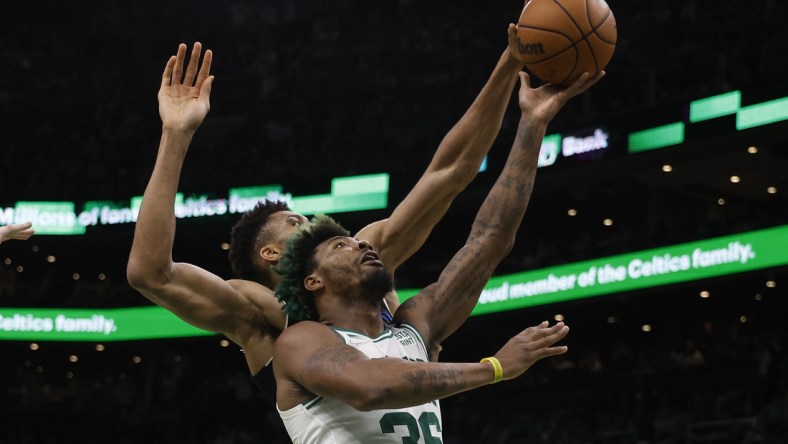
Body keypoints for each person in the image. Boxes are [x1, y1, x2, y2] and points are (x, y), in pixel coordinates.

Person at [127, 19, 531, 397]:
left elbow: (451, 172)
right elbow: (151, 273)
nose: (316, 223)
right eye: (294, 221)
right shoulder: (261, 313)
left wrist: (509, 63)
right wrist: (175, 134)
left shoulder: (365, 257)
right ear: (272, 254)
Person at [272, 69, 601, 442]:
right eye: (340, 246)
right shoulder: (301, 341)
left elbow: (489, 241)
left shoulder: (415, 326)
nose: (362, 244)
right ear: (313, 281)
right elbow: (369, 386)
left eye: (359, 241)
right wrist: (493, 368)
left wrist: (533, 123)